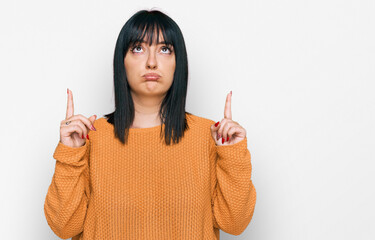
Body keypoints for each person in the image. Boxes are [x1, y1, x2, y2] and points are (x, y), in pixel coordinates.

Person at [43, 9, 256, 240]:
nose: (152, 62)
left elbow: (235, 223)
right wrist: (70, 154)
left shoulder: (210, 136)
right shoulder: (90, 137)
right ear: (121, 61)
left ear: (178, 63)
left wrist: (233, 154)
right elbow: (64, 227)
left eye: (164, 49)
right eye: (138, 48)